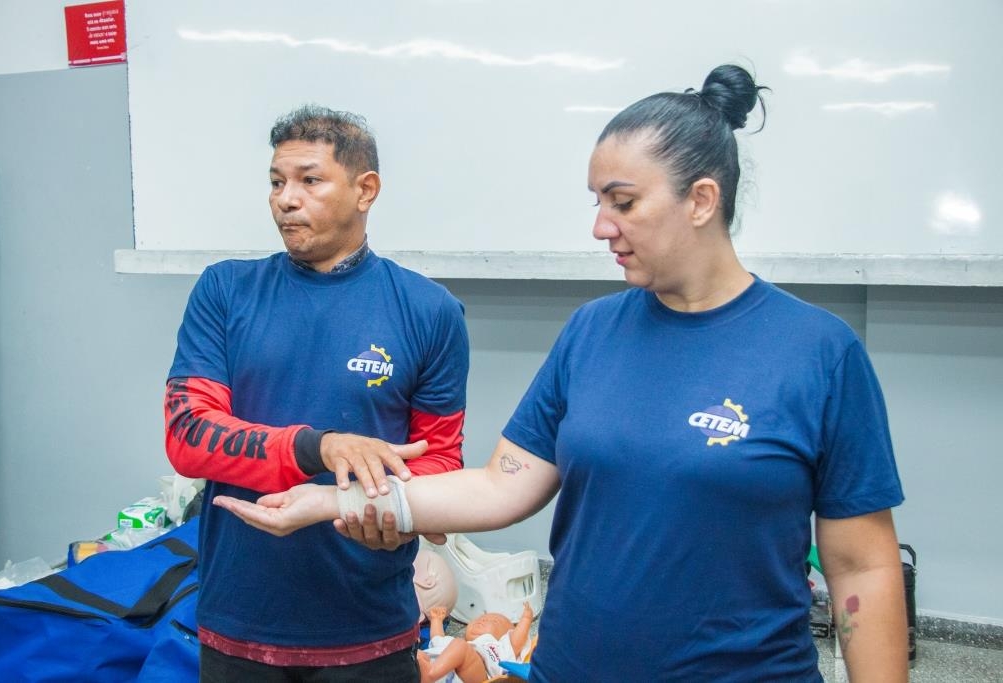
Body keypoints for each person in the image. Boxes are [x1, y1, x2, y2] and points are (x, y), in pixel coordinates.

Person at [213, 65, 909, 681]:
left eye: (623, 202)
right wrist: (326, 503)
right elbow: (498, 486)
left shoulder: (817, 352)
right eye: (596, 201)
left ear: (701, 200)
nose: (601, 226)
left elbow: (863, 567)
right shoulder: (592, 332)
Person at [164, 104, 470, 682]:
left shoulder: (431, 311)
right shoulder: (225, 291)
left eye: (309, 180)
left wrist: (394, 511)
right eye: (276, 182)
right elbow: (188, 435)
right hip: (240, 621)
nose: (286, 199)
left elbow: (438, 462)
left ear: (365, 190)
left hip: (370, 627)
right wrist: (320, 447)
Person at [418, 604, 535, 683]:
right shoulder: (452, 643)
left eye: (494, 621)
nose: (483, 620)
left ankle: (429, 674)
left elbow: (517, 640)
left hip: (478, 675)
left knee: (461, 647)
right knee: (418, 655)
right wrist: (436, 620)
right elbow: (437, 639)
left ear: (505, 636)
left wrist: (526, 619)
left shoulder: (501, 647)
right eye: (480, 618)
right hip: (442, 671)